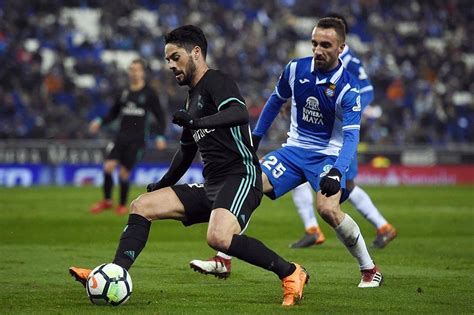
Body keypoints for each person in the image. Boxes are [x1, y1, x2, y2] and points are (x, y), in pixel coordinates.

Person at [70, 25, 309, 307]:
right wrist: (162, 184)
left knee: (219, 238)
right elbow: (185, 153)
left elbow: (239, 113)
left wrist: (197, 122)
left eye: (175, 57)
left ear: (196, 52)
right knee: (142, 205)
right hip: (213, 185)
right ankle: (114, 273)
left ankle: (291, 272)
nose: (170, 65)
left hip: (241, 176)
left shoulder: (217, 81)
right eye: (168, 59)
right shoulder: (192, 97)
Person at [190, 17, 383, 288]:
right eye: (314, 43)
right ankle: (223, 258)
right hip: (293, 151)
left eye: (326, 45)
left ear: (341, 48)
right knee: (248, 184)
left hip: (327, 155)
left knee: (328, 209)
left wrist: (338, 170)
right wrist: (254, 139)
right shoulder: (295, 69)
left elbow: (352, 136)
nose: (318, 50)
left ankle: (369, 268)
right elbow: (274, 102)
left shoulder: (348, 88)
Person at [288, 13, 397, 249]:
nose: (319, 47)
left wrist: (350, 111)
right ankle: (314, 229)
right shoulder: (316, 62)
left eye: (327, 40)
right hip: (319, 133)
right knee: (307, 175)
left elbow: (366, 91)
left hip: (339, 135)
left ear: (340, 41)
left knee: (345, 183)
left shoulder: (350, 62)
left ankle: (381, 227)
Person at [88, 59, 167, 215]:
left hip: (137, 140)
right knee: (108, 167)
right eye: (131, 69)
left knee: (124, 173)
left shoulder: (149, 93)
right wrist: (100, 121)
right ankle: (107, 201)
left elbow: (160, 116)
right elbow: (113, 113)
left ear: (142, 72)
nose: (134, 72)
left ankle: (123, 204)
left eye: (137, 69)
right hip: (121, 137)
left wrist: (159, 136)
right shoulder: (124, 92)